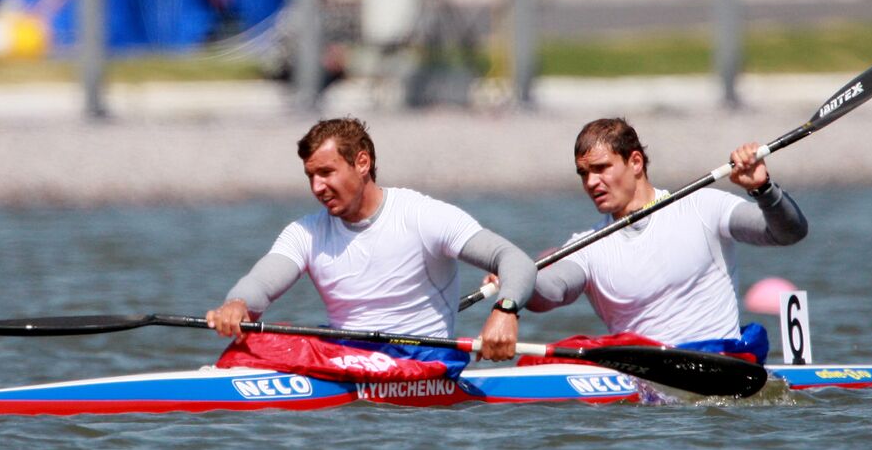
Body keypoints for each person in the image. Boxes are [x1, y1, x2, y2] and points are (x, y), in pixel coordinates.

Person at [206, 117, 535, 369]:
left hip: (419, 357)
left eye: (326, 172)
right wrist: (238, 303)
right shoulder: (305, 233)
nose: (317, 187)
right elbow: (261, 282)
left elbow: (514, 259)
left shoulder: (423, 216)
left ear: (361, 163)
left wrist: (505, 310)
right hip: (346, 354)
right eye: (310, 176)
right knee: (254, 342)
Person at [525, 117, 808, 361]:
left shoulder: (702, 207)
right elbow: (551, 292)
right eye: (584, 173)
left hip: (721, 366)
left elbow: (788, 233)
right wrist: (520, 281)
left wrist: (763, 189)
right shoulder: (588, 245)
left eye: (601, 168)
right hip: (641, 389)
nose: (590, 182)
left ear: (635, 162)